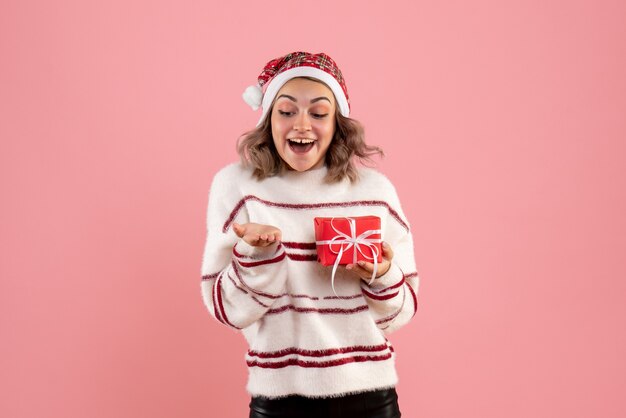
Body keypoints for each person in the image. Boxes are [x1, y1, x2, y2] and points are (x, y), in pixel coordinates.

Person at [200, 51, 420, 418]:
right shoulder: (236, 187)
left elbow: (402, 312)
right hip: (280, 400)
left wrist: (380, 275)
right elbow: (228, 310)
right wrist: (256, 256)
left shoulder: (374, 191)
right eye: (286, 111)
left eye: (318, 113)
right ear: (269, 118)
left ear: (338, 123)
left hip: (369, 398)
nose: (302, 124)